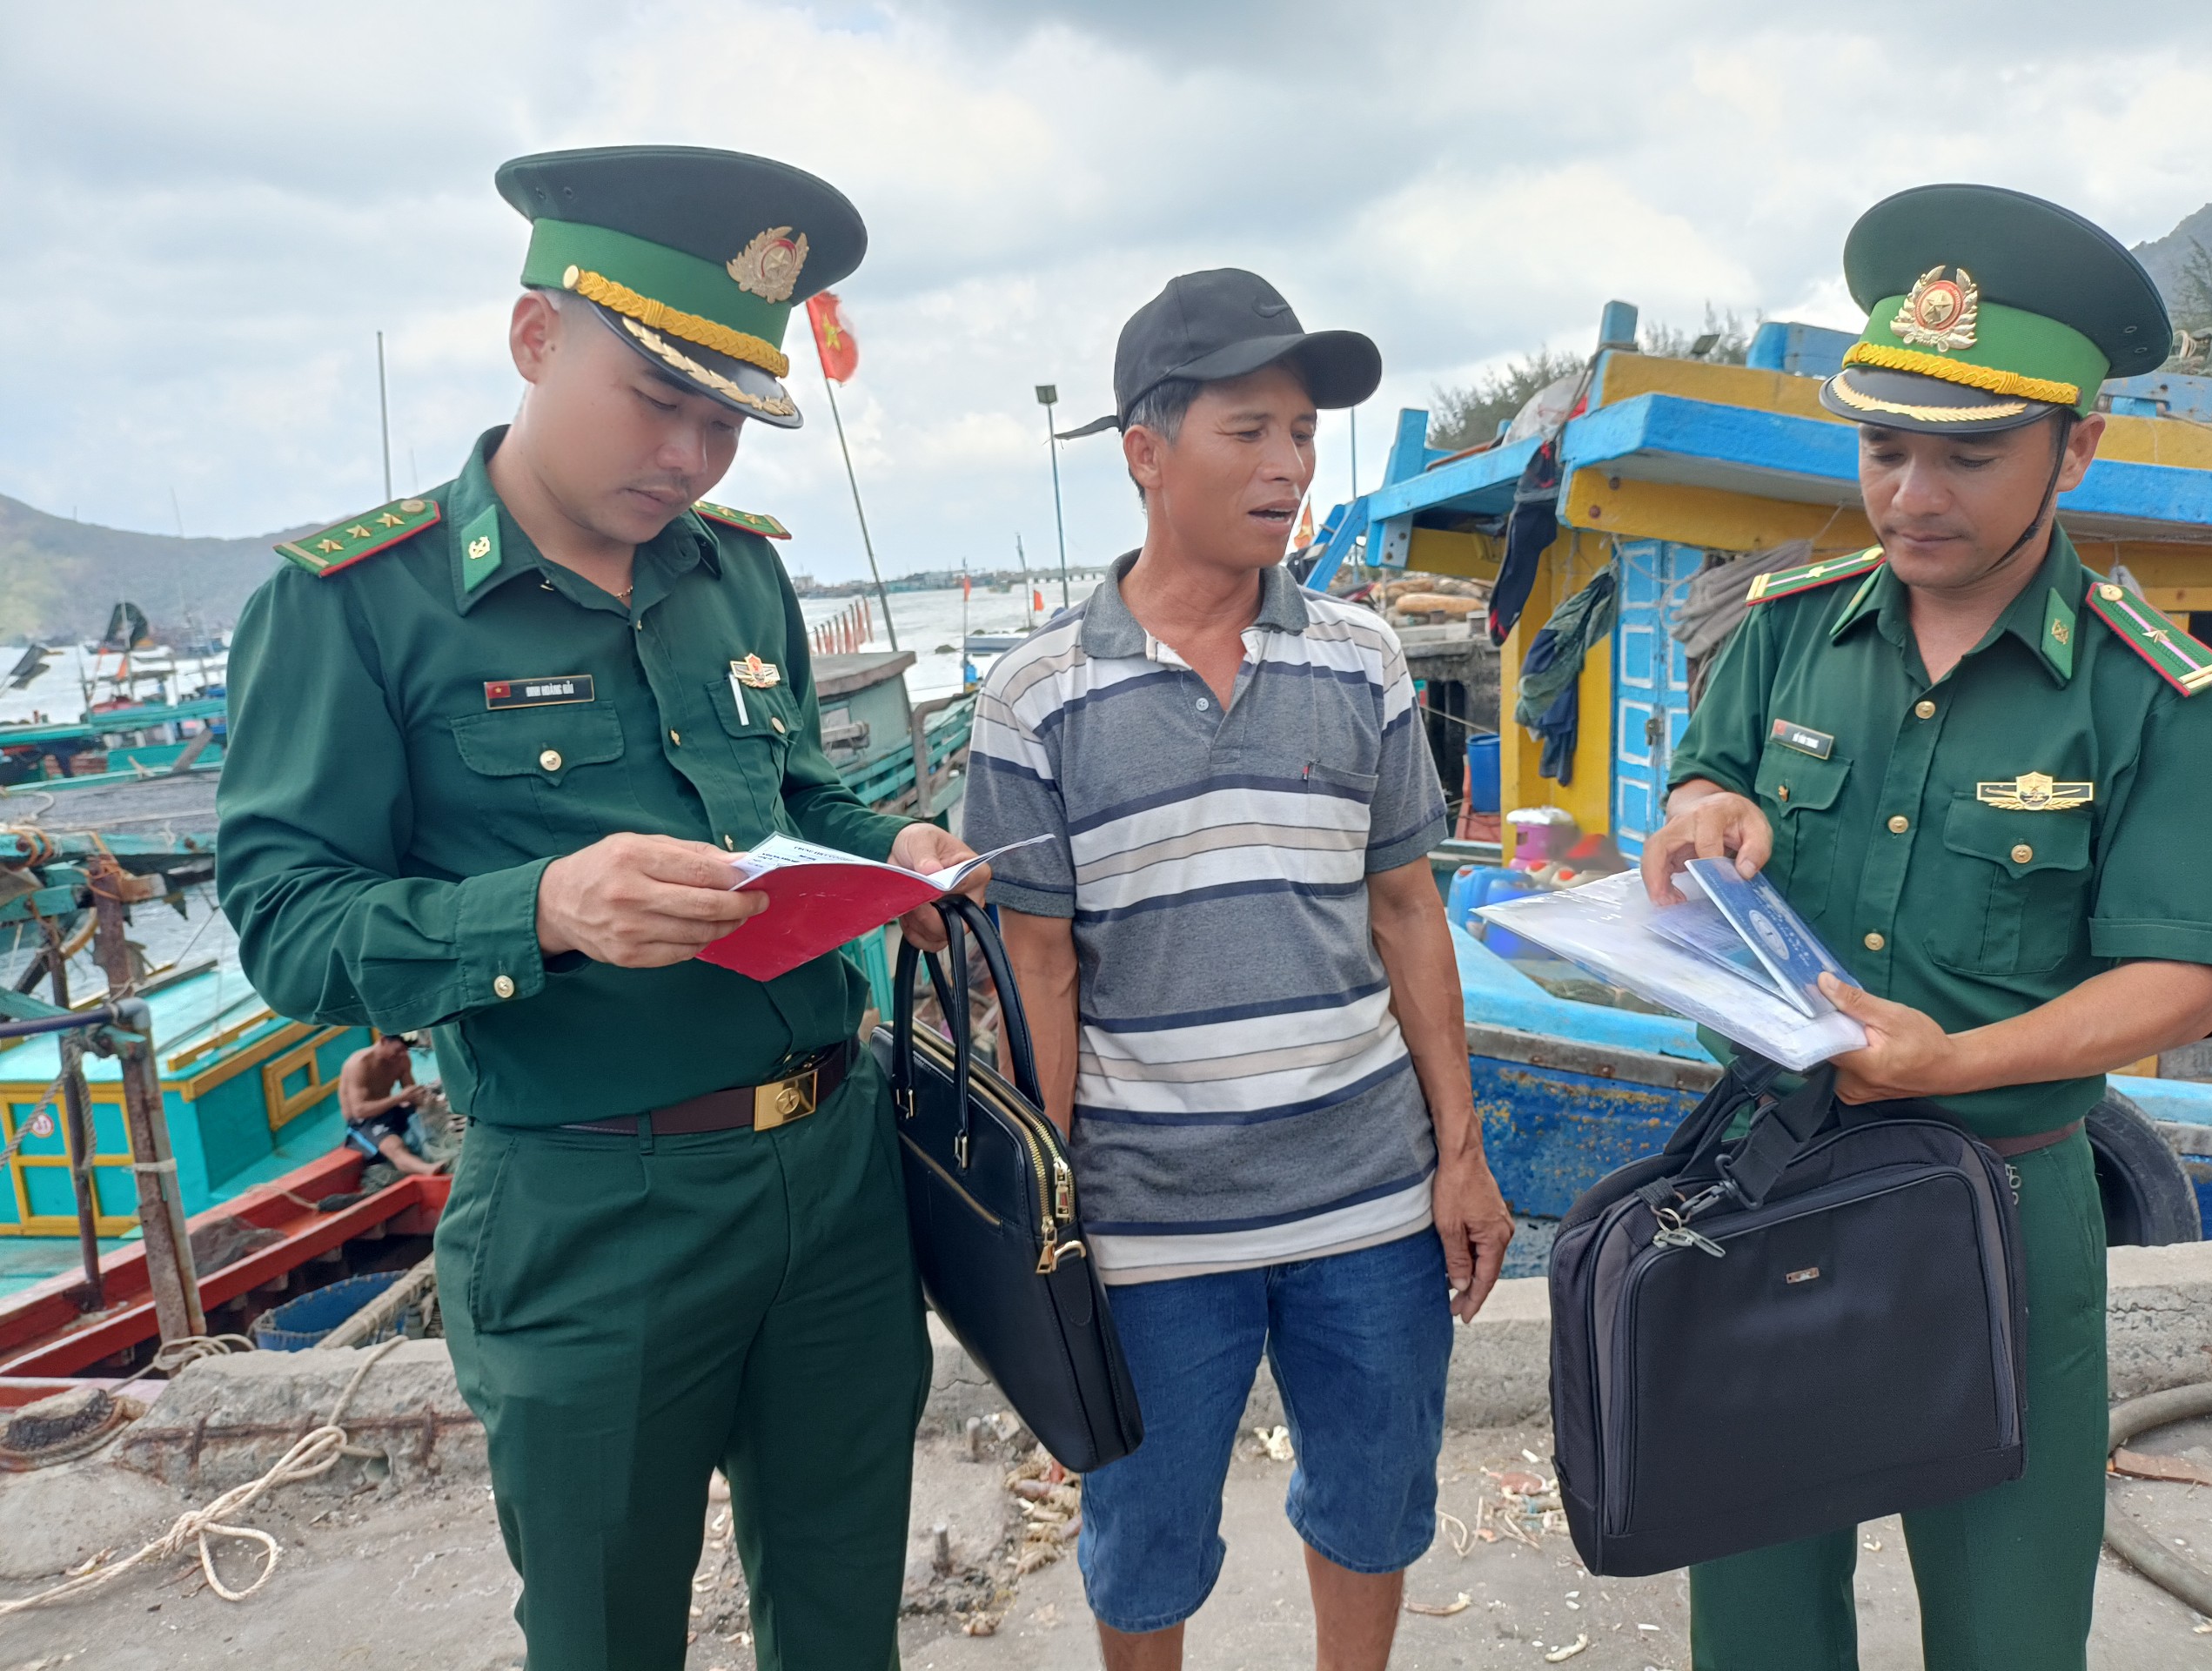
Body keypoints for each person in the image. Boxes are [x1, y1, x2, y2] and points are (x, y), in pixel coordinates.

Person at [217, 145, 982, 1671]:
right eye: (656, 399)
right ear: (533, 337)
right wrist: (544, 910)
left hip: (835, 1174)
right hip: (590, 1204)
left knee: (846, 1614)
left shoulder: (735, 577)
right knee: (606, 1634)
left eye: (728, 421)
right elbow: (288, 926)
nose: (692, 456)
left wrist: (891, 844)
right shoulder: (356, 605)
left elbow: (795, 794)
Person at [1641, 184, 2212, 1669]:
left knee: (2006, 1621)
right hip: (1766, 1178)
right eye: (1885, 449)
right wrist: (1705, 810)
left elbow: (2182, 980)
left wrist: (1950, 1063)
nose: (1912, 494)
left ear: (2075, 448)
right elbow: (1702, 777)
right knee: (1758, 1611)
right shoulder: (1785, 627)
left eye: (1969, 456)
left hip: (2000, 1209)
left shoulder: (2152, 694)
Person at [965, 269, 1517, 1671]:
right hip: (1150, 1223)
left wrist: (1460, 1155)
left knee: (1377, 1505)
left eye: (1304, 434)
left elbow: (1408, 912)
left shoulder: (1364, 659)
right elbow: (1040, 975)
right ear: (1145, 453)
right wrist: (1051, 1230)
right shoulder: (1035, 697)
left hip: (1368, 1202)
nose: (1288, 467)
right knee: (1142, 1539)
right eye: (1249, 431)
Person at [338, 1033, 439, 1178]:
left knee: (429, 1113)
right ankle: (426, 1169)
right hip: (364, 1121)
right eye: (398, 1050)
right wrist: (399, 1098)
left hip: (390, 1109)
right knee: (394, 1146)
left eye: (405, 1050)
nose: (402, 1054)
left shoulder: (402, 1059)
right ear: (383, 1041)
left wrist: (425, 1100)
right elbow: (359, 1110)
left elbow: (411, 1094)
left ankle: (436, 1150)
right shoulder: (359, 1064)